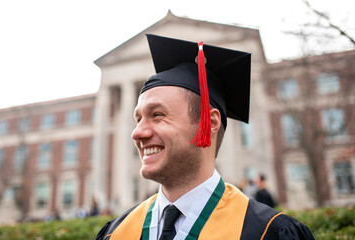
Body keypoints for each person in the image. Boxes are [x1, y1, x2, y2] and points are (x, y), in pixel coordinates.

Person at [95, 34, 314, 240]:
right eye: (138, 119)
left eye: (158, 115)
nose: (138, 133)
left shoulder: (270, 232)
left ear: (210, 123)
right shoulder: (116, 233)